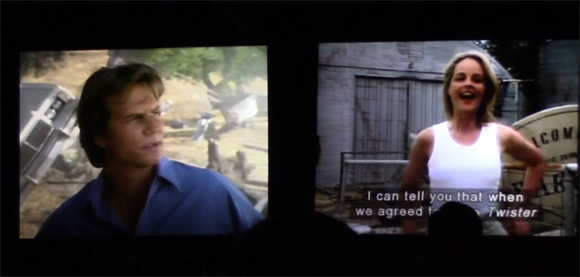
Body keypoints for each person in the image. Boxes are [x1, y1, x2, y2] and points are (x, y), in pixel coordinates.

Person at [36, 63, 263, 238]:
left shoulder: (213, 192)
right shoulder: (67, 224)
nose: (156, 128)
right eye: (135, 118)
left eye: (156, 113)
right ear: (101, 135)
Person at [401, 51, 546, 236]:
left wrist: (521, 210)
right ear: (449, 88)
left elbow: (538, 162)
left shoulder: (501, 135)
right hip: (444, 228)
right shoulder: (428, 139)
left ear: (486, 90)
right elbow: (407, 189)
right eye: (460, 78)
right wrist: (410, 230)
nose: (468, 83)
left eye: (477, 79)